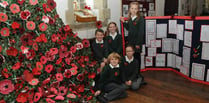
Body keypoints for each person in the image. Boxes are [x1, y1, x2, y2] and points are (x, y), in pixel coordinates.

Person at [120, 2, 146, 85]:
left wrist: (138, 44)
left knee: (137, 59)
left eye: (135, 8)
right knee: (131, 58)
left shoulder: (140, 19)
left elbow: (141, 33)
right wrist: (124, 22)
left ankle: (138, 75)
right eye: (132, 8)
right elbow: (129, 28)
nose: (134, 10)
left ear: (138, 10)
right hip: (131, 42)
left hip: (137, 43)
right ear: (129, 9)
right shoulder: (131, 18)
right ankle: (132, 75)